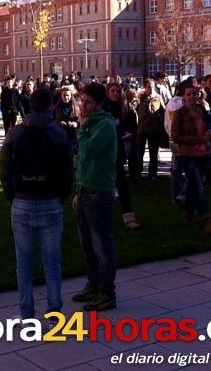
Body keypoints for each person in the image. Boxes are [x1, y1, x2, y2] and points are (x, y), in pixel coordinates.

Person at [0, 89, 72, 321]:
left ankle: (26, 314)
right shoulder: (59, 134)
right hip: (50, 201)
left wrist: (12, 194)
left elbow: (4, 168)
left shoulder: (15, 133)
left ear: (30, 105)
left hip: (22, 201)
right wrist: (61, 195)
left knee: (24, 263)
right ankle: (54, 314)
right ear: (51, 106)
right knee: (52, 262)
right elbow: (68, 171)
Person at [71, 83, 118, 311]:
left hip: (100, 193)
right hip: (85, 190)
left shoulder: (105, 125)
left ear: (98, 104)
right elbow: (81, 160)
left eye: (88, 102)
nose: (83, 105)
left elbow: (88, 150)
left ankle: (107, 292)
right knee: (87, 244)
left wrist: (82, 127)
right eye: (82, 100)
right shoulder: (90, 124)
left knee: (102, 246)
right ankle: (93, 285)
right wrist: (78, 190)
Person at [171, 84, 211, 235]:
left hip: (202, 154)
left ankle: (188, 214)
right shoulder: (179, 114)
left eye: (194, 94)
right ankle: (207, 220)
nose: (192, 96)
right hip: (187, 155)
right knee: (198, 186)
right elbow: (176, 137)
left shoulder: (201, 110)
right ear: (183, 97)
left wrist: (210, 131)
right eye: (188, 94)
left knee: (193, 186)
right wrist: (199, 139)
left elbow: (208, 125)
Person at [104, 82, 138, 230]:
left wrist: (126, 133)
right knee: (104, 185)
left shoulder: (125, 109)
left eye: (117, 91)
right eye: (112, 91)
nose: (115, 94)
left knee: (121, 182)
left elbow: (133, 127)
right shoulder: (102, 108)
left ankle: (128, 216)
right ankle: (102, 216)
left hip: (118, 149)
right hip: (104, 150)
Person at [136, 78, 165, 181]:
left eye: (153, 87)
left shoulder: (158, 97)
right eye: (149, 87)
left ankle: (152, 174)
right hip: (142, 130)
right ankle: (138, 173)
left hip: (154, 130)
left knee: (153, 154)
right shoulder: (140, 97)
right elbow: (135, 110)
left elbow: (163, 111)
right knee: (140, 153)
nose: (152, 89)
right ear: (145, 88)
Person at [53, 86, 79, 156]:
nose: (66, 97)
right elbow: (52, 120)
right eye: (64, 95)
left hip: (73, 136)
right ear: (61, 96)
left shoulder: (76, 107)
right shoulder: (56, 107)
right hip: (60, 136)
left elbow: (80, 121)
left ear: (71, 96)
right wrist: (59, 123)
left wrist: (76, 124)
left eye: (67, 95)